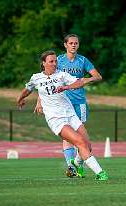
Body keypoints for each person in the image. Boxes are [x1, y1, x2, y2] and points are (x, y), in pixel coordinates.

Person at [17, 50, 109, 181]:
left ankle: (75, 165)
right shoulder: (36, 78)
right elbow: (27, 90)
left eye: (56, 61)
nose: (55, 64)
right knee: (79, 142)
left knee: (87, 146)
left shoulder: (62, 75)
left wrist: (67, 87)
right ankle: (100, 173)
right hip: (56, 119)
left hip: (70, 114)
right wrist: (19, 99)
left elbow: (78, 82)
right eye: (51, 61)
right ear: (44, 63)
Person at [34, 34, 102, 178]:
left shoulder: (83, 60)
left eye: (76, 43)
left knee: (82, 138)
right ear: (65, 45)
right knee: (68, 137)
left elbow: (98, 76)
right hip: (62, 104)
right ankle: (71, 166)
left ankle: (79, 165)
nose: (73, 45)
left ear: (78, 45)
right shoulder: (57, 60)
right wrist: (39, 101)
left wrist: (85, 80)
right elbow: (46, 81)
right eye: (71, 43)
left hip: (79, 102)